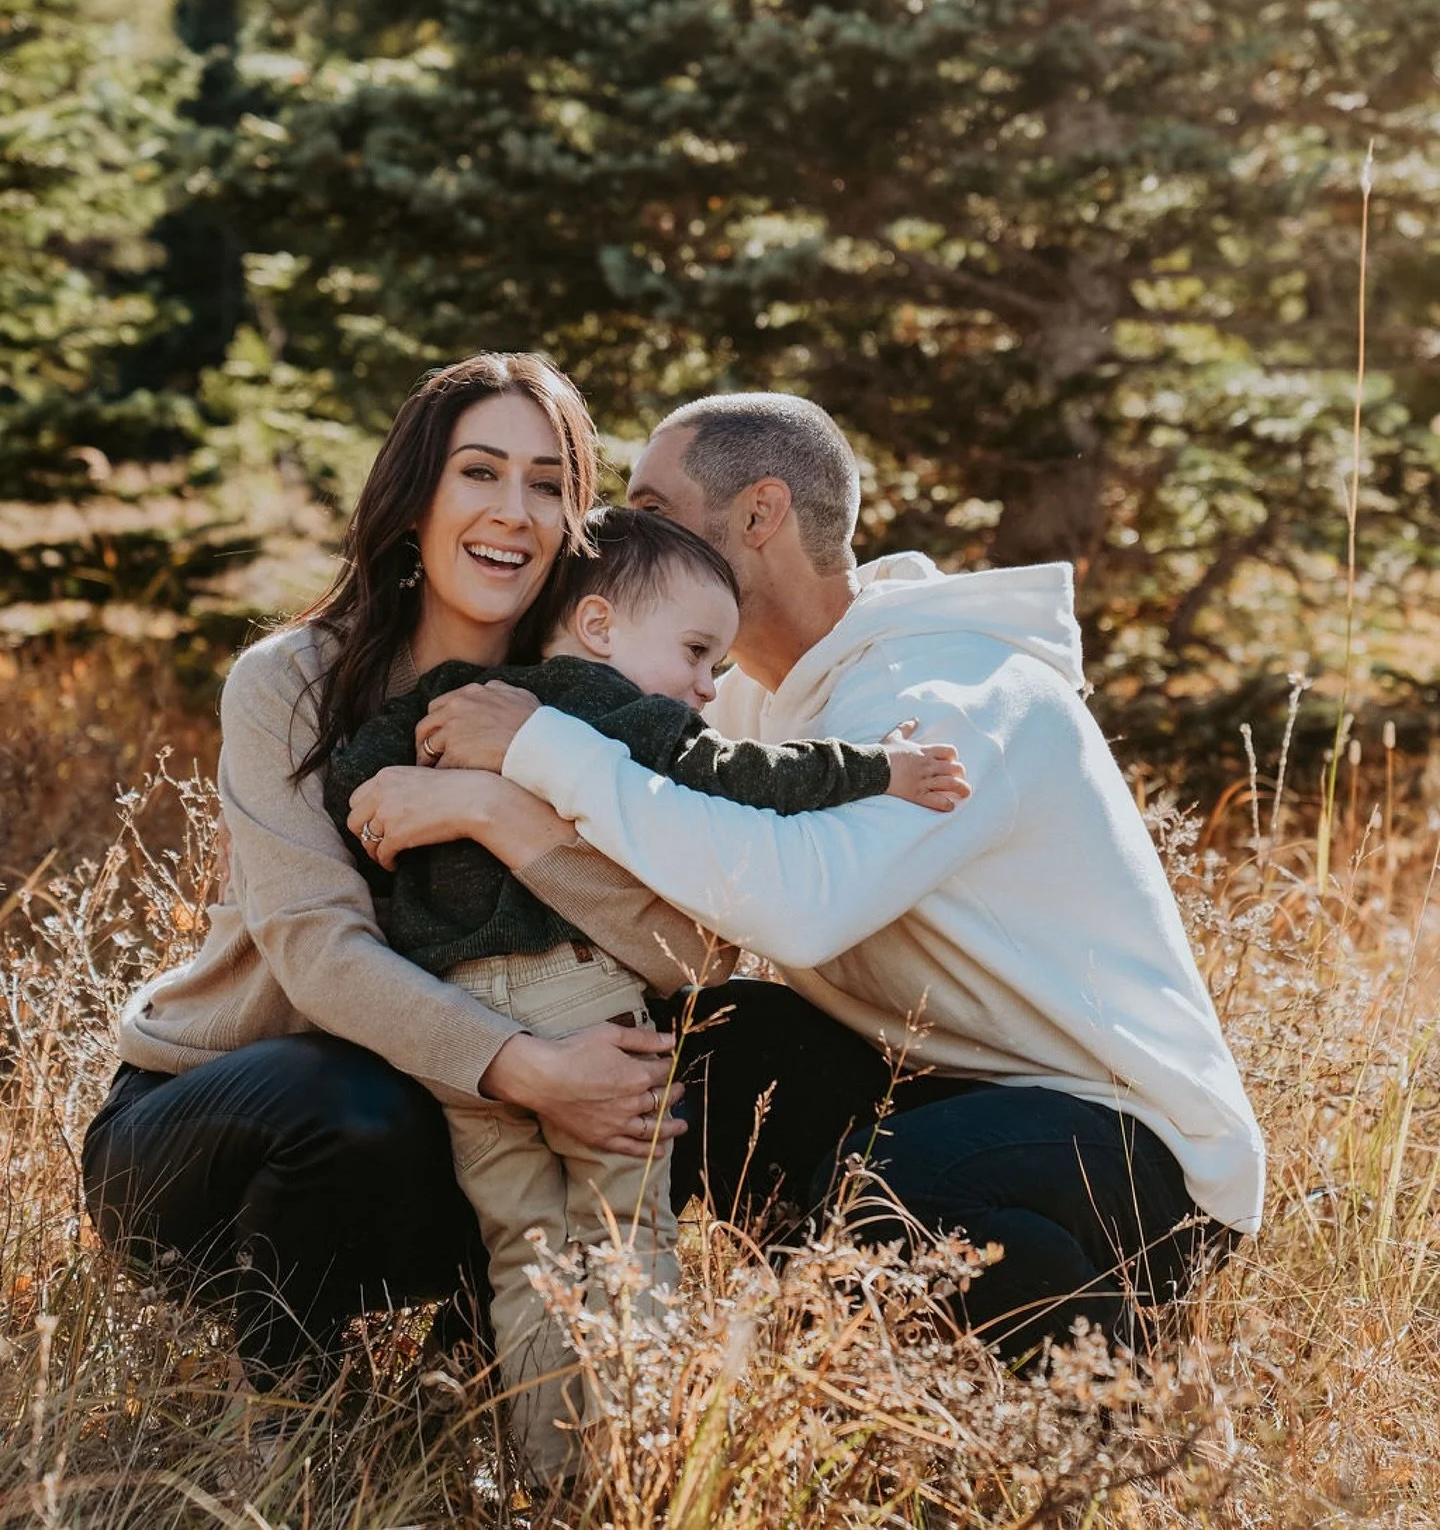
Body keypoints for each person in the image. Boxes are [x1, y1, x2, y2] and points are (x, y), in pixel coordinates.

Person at [416, 391, 1266, 1365]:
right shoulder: (732, 695)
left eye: (650, 510)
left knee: (885, 1193)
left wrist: (545, 747)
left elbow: (803, 907)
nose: (612, 537)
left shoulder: (955, 695)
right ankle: (475, 1382)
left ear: (758, 515)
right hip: (922, 1086)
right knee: (680, 1053)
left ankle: (1098, 1384)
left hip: (1128, 1147)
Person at [80, 354, 711, 1403]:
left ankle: (493, 1395)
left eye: (549, 483)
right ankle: (292, 1417)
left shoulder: (598, 705)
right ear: (414, 496)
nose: (514, 510)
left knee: (687, 1066)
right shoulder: (291, 681)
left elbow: (684, 951)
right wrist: (527, 1069)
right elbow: (321, 958)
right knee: (351, 1093)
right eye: (479, 471)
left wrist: (494, 809)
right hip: (221, 1130)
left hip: (443, 1120)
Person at [327, 504, 967, 1476]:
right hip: (586, 1011)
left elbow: (351, 782)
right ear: (597, 630)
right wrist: (885, 767)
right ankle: (632, 1465)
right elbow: (751, 775)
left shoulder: (452, 696)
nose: (709, 686)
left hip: (468, 1039)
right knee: (630, 1241)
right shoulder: (623, 713)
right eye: (698, 652)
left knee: (525, 1253)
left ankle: (545, 1474)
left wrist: (383, 807)